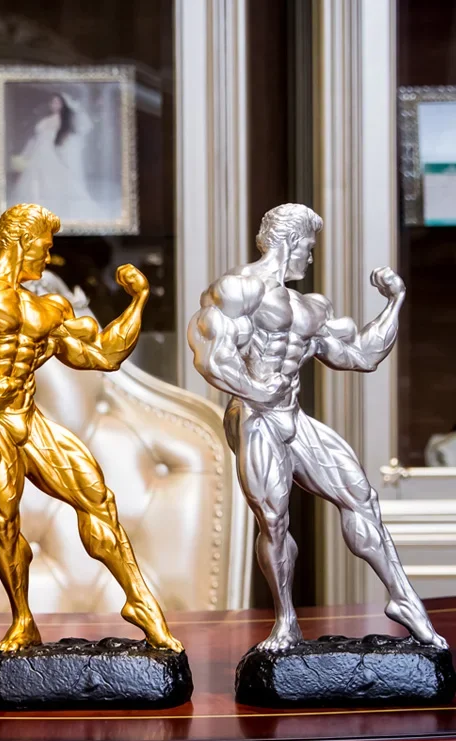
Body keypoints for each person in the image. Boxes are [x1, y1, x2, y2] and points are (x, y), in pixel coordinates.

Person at [0, 203, 182, 653]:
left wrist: (137, 301)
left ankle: (140, 602)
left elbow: (104, 355)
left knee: (98, 498)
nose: (48, 254)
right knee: (5, 524)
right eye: (44, 245)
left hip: (29, 419)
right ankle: (22, 620)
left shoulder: (49, 308)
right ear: (20, 242)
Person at [187, 202, 447, 652]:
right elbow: (211, 357)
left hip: (292, 417)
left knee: (361, 497)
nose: (310, 257)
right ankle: (285, 621)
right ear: (290, 241)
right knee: (273, 520)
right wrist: (255, 388)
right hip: (255, 417)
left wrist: (394, 303)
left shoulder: (309, 307)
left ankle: (404, 601)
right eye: (308, 247)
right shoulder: (237, 289)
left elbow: (362, 356)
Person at [8, 93, 102, 220]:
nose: (54, 105)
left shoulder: (64, 121)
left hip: (50, 153)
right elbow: (35, 138)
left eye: (57, 102)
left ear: (63, 104)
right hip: (38, 153)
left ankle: (52, 210)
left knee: (53, 179)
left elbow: (74, 134)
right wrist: (27, 152)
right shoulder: (47, 119)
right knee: (36, 181)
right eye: (52, 102)